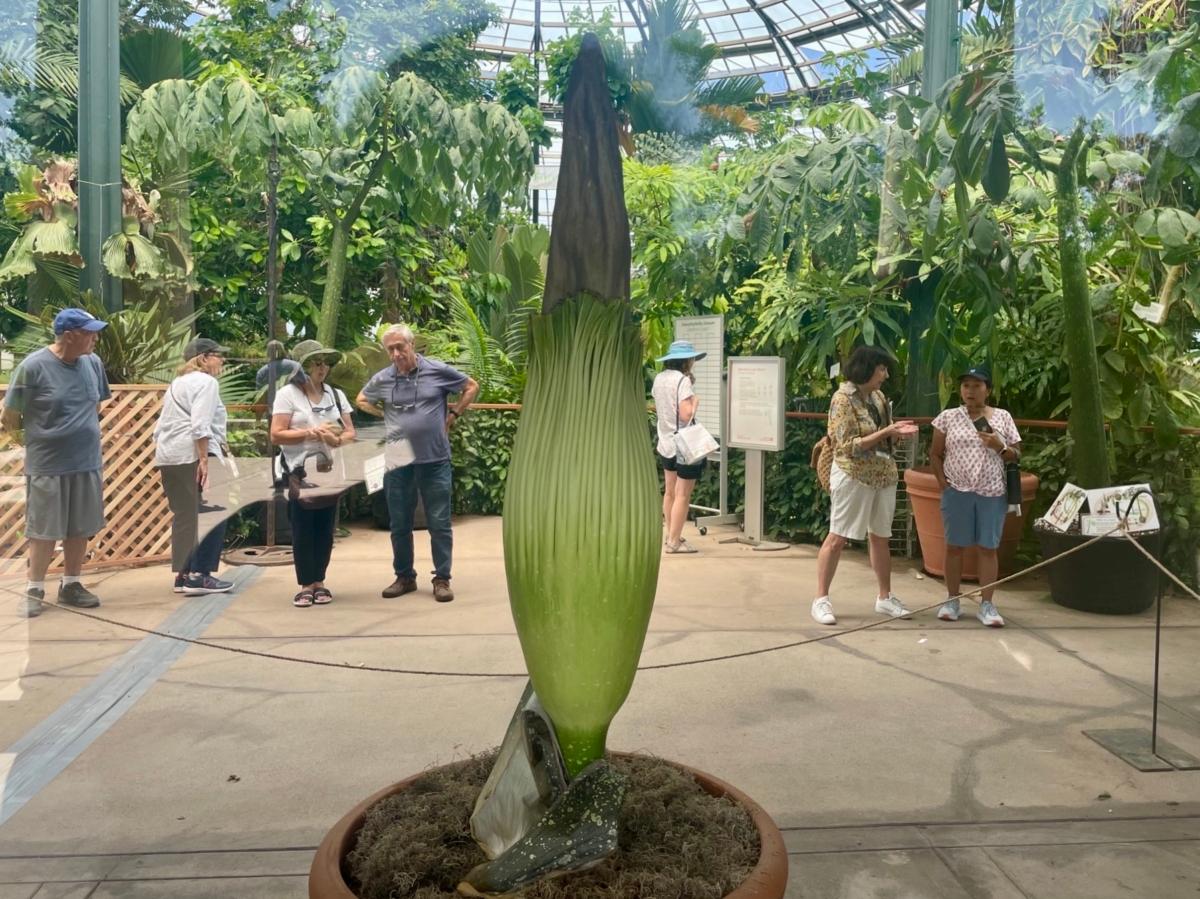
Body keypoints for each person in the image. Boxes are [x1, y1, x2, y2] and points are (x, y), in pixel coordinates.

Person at [356, 324, 479, 604]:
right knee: (399, 522)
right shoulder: (384, 378)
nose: (397, 353)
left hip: (434, 460)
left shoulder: (437, 370)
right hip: (398, 464)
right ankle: (404, 577)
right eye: (391, 349)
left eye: (401, 347)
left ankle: (442, 578)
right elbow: (361, 399)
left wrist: (454, 414)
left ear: (412, 346)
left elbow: (471, 386)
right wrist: (382, 414)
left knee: (439, 522)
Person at [1, 308, 111, 618]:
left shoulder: (93, 363)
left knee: (80, 526)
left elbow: (96, 403)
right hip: (48, 464)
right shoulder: (33, 367)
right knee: (44, 529)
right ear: (69, 335)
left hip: (86, 460)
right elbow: (10, 416)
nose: (95, 337)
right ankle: (34, 589)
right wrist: (31, 443)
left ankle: (71, 585)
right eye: (89, 332)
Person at [812, 346, 918, 625]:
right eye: (881, 368)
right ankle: (821, 599)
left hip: (883, 474)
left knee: (880, 535)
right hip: (853, 475)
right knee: (837, 536)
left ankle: (885, 597)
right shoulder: (842, 399)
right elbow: (846, 447)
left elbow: (884, 435)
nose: (885, 374)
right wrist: (886, 432)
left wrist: (895, 435)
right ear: (866, 368)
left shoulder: (879, 397)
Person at [930, 365, 1021, 628]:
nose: (970, 391)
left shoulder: (1002, 417)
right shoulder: (947, 417)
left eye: (977, 385)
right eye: (966, 385)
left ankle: (987, 604)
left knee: (988, 547)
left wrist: (999, 445)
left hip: (992, 491)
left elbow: (1017, 453)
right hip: (956, 490)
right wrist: (942, 483)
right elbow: (935, 453)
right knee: (954, 546)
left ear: (988, 390)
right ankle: (951, 599)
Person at [270, 340, 356, 608]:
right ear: (302, 368)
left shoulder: (335, 394)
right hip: (299, 470)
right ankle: (306, 584)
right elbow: (276, 434)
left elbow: (350, 432)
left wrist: (336, 439)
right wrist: (309, 433)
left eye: (325, 363)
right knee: (303, 524)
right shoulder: (287, 394)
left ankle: (320, 581)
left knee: (325, 526)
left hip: (329, 470)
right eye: (316, 363)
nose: (323, 368)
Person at [154, 337, 235, 596]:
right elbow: (200, 424)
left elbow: (161, 426)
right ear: (202, 358)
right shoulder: (206, 382)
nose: (222, 360)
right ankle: (200, 575)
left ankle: (183, 574)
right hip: (194, 454)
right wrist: (204, 460)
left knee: (185, 515)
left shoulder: (176, 384)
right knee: (215, 510)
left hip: (169, 456)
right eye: (217, 355)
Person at [652, 340, 707, 554]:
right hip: (683, 444)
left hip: (665, 442)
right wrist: (695, 402)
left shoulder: (659, 379)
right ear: (686, 361)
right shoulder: (682, 381)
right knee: (683, 494)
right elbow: (685, 415)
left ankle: (670, 535)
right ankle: (675, 542)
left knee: (670, 492)